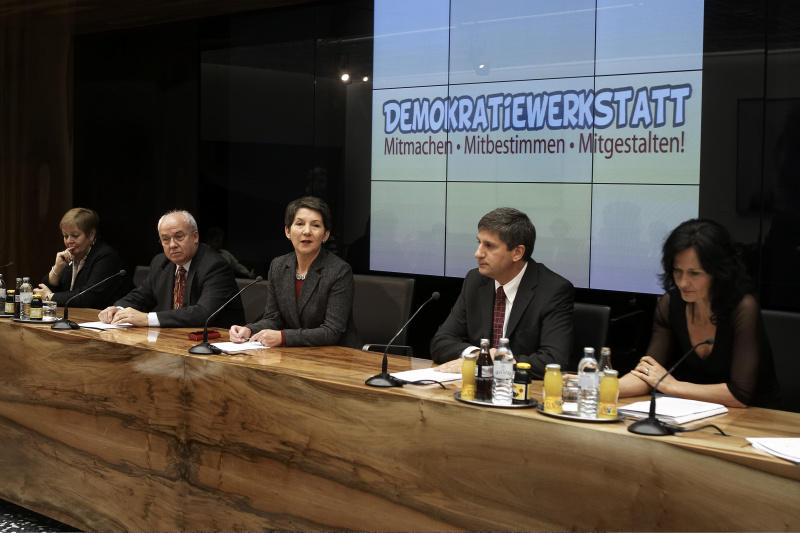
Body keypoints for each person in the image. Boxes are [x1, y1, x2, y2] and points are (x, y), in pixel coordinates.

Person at [619, 219, 782, 408]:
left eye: (694, 273)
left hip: (760, 415)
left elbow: (740, 394)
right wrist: (594, 387)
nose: (682, 282)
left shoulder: (743, 307)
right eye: (677, 270)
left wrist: (673, 386)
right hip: (699, 409)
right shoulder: (670, 304)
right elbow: (648, 375)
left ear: (719, 272)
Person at [430, 207, 574, 378]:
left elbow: (553, 360)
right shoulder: (475, 280)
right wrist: (479, 356)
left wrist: (497, 361)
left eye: (489, 246)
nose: (478, 253)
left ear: (517, 252)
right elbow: (440, 342)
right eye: (479, 243)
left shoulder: (553, 290)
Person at [229, 196, 360, 348]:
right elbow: (273, 318)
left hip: (337, 356)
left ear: (325, 235)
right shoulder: (278, 266)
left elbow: (332, 331)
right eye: (299, 224)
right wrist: (249, 330)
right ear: (288, 231)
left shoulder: (339, 271)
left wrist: (283, 337)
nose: (307, 231)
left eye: (315, 226)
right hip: (295, 353)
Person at [98, 210, 244, 328]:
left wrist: (147, 318)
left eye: (178, 237)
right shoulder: (161, 262)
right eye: (166, 239)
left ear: (195, 236)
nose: (172, 244)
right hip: (173, 340)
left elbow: (203, 313)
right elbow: (141, 296)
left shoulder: (215, 266)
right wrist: (118, 309)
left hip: (216, 345)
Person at [37, 208, 127, 308]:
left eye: (75, 236)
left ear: (91, 234)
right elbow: (43, 291)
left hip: (105, 318)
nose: (69, 241)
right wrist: (58, 268)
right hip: (74, 315)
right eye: (65, 236)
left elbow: (88, 298)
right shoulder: (70, 256)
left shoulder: (107, 257)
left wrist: (50, 297)